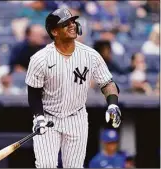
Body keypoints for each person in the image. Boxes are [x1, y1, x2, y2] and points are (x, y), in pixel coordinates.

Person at [25, 8, 122, 168]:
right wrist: (39, 117)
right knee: (46, 165)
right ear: (54, 32)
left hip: (76, 117)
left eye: (72, 22)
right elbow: (33, 93)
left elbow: (107, 83)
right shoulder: (39, 59)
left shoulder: (90, 55)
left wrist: (112, 103)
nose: (72, 25)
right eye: (65, 24)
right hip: (48, 117)